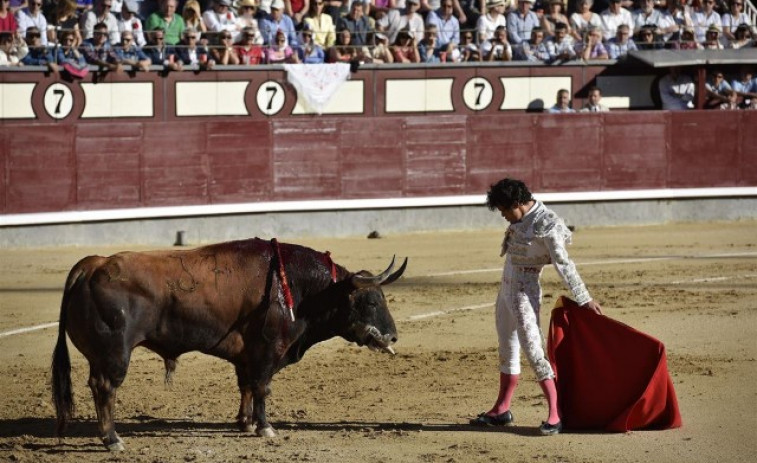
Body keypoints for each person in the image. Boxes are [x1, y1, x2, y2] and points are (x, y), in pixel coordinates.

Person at [471, 178, 602, 435]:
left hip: (524, 294)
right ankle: (501, 409)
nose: (504, 216)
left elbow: (564, 265)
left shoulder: (548, 225)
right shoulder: (519, 219)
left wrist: (584, 298)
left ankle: (555, 413)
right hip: (505, 289)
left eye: (505, 210)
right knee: (507, 347)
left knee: (533, 348)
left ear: (518, 203)